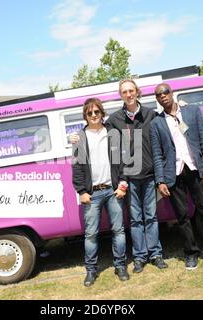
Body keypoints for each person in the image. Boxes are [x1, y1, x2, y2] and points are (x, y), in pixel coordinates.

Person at [150, 83, 203, 270]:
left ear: (171, 93)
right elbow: (157, 155)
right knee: (182, 217)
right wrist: (160, 180)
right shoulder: (156, 123)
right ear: (157, 99)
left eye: (165, 92)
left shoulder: (192, 112)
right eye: (159, 95)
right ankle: (191, 253)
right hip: (173, 174)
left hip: (195, 169)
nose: (163, 96)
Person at [106, 79, 167, 273]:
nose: (129, 94)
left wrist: (180, 106)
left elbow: (170, 121)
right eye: (124, 92)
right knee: (135, 219)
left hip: (149, 176)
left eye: (131, 90)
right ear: (121, 95)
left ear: (137, 92)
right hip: (130, 178)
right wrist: (77, 136)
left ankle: (156, 254)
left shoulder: (151, 114)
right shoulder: (114, 120)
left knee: (151, 216)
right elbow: (97, 132)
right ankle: (140, 257)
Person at [72, 97, 130, 287]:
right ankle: (91, 271)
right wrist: (81, 191)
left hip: (113, 191)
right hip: (92, 194)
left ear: (102, 113)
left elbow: (123, 161)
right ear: (85, 116)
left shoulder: (112, 133)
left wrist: (122, 185)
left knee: (118, 230)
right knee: (90, 234)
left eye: (97, 112)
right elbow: (77, 168)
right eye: (90, 113)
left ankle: (120, 266)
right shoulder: (80, 138)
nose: (94, 115)